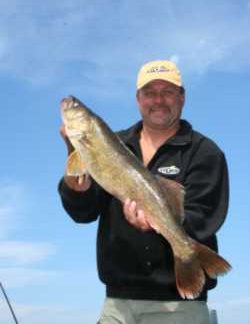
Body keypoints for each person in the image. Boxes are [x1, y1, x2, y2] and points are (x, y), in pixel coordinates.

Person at [58, 60, 229, 324]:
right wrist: (75, 182)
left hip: (179, 306)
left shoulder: (205, 152)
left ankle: (185, 252)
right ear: (138, 99)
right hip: (118, 304)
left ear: (182, 98)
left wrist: (157, 223)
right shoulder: (113, 143)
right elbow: (84, 212)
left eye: (168, 92)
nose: (158, 100)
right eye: (150, 93)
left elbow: (206, 217)